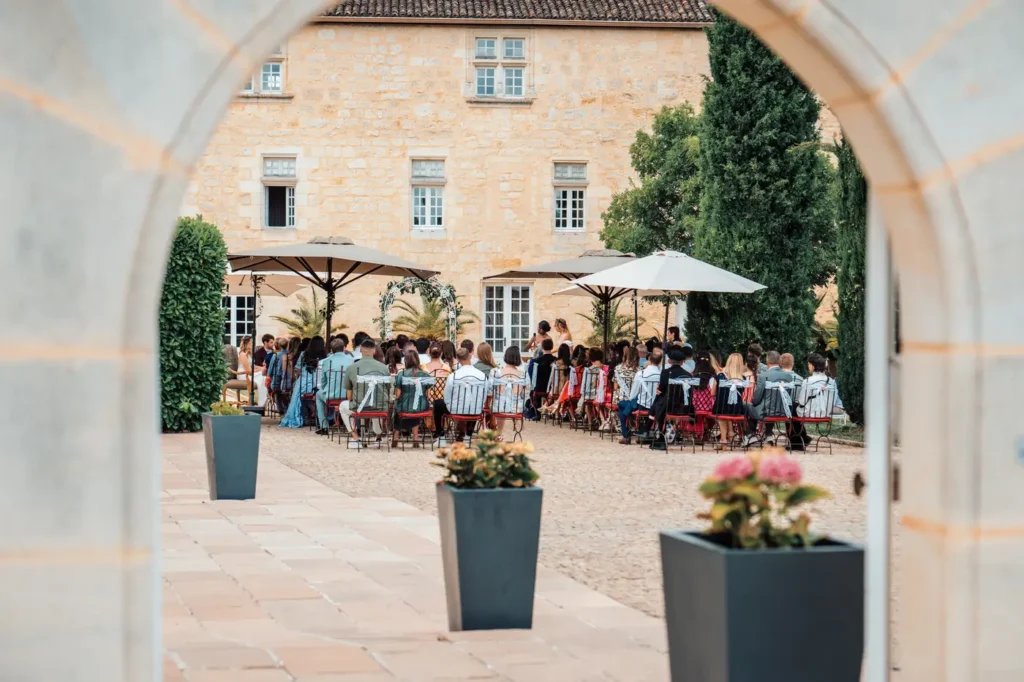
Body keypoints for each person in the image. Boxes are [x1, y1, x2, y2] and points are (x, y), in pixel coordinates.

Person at [339, 337, 391, 447]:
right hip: (380, 406)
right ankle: (378, 437)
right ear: (374, 351)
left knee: (343, 406)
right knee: (378, 400)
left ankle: (355, 438)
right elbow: (387, 389)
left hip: (359, 406)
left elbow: (349, 396)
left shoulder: (351, 368)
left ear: (361, 350)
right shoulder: (384, 368)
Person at [433, 347, 488, 446]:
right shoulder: (482, 375)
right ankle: (468, 436)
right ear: (470, 356)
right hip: (475, 410)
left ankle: (441, 437)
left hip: (455, 409)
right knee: (474, 403)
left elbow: (447, 396)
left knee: (437, 404)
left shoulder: (453, 376)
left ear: (457, 359)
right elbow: (483, 396)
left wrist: (452, 405)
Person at [617, 347, 663, 444]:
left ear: (649, 360)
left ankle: (626, 435)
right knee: (627, 406)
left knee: (621, 405)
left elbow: (633, 394)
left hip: (642, 406)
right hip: (658, 407)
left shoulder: (640, 374)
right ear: (659, 362)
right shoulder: (662, 375)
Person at [281, 336, 326, 428]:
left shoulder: (304, 354)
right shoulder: (326, 356)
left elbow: (297, 369)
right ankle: (320, 416)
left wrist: (305, 373)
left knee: (297, 395)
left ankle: (303, 416)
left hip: (304, 384)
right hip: (320, 384)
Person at [392, 350, 432, 448]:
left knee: (397, 408)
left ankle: (396, 437)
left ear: (406, 361)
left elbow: (397, 395)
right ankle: (415, 438)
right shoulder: (425, 374)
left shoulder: (402, 374)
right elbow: (428, 394)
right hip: (422, 406)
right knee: (415, 408)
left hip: (405, 406)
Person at [314, 338, 350, 434]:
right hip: (349, 395)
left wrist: (327, 390)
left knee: (318, 394)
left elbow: (323, 382)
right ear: (344, 349)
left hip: (331, 395)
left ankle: (324, 426)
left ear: (331, 350)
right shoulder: (352, 361)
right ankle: (356, 427)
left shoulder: (325, 362)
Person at [493, 346, 526, 438]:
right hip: (516, 408)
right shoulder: (522, 374)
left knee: (501, 401)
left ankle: (499, 433)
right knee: (516, 400)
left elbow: (491, 390)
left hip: (500, 408)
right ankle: (517, 422)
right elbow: (527, 390)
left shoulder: (497, 373)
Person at [716, 353, 748, 448]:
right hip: (737, 409)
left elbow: (713, 393)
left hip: (721, 408)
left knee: (723, 411)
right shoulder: (743, 379)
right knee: (728, 408)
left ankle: (723, 439)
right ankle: (731, 433)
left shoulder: (720, 376)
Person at [530, 338, 557, 420]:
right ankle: (551, 412)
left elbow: (534, 376)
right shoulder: (555, 360)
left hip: (540, 386)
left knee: (532, 393)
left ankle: (537, 414)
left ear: (542, 348)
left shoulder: (537, 361)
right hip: (552, 387)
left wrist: (533, 386)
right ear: (552, 347)